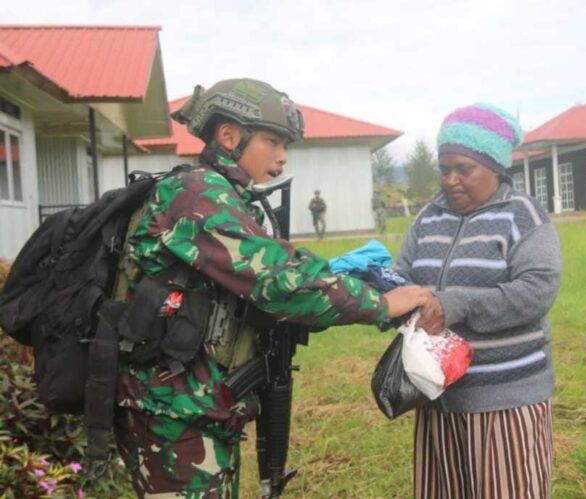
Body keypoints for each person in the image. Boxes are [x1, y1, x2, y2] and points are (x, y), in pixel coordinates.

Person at [112, 78, 430, 498]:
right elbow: (278, 280)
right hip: (170, 411)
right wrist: (382, 303)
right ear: (229, 135)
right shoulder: (195, 193)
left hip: (197, 404)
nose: (282, 156)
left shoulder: (224, 195)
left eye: (286, 145)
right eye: (273, 141)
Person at [394, 103, 562, 498]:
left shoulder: (521, 215)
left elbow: (537, 291)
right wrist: (386, 292)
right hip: (436, 394)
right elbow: (404, 274)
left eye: (463, 169)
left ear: (496, 168)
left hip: (504, 397)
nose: (450, 180)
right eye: (444, 168)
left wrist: (455, 304)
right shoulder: (428, 217)